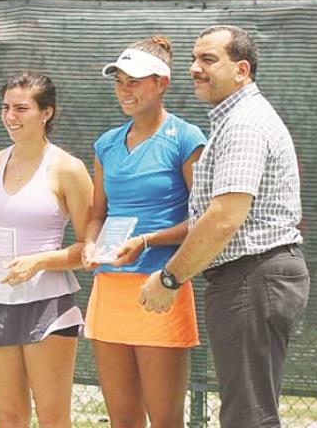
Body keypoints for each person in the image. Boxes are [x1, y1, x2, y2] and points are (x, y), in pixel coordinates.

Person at [140, 25, 309, 427]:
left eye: (209, 60)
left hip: (252, 277)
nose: (195, 68)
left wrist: (169, 279)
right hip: (251, 277)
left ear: (242, 70)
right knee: (247, 410)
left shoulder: (244, 124)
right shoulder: (235, 117)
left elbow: (224, 216)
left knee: (247, 416)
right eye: (194, 60)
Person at [82, 36, 206, 428]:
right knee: (123, 420)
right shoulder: (106, 145)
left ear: (162, 83)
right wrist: (89, 244)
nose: (125, 89)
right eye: (119, 80)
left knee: (166, 421)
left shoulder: (187, 139)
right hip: (109, 292)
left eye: (134, 80)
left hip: (161, 288)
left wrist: (147, 241)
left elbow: (203, 220)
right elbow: (96, 215)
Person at [0, 73, 92, 428]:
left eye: (21, 108)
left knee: (53, 419)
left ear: (46, 113)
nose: (10, 116)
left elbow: (87, 249)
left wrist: (39, 262)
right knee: (9, 418)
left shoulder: (69, 169)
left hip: (48, 306)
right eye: (5, 108)